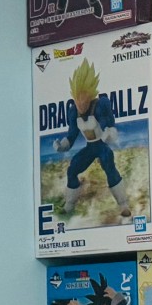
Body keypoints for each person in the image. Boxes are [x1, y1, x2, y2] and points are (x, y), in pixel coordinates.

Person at [54, 59, 132, 220]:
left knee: (109, 167)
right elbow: (72, 134)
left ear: (90, 94)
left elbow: (110, 125)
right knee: (72, 170)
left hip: (101, 146)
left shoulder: (101, 104)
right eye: (77, 98)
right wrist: (62, 146)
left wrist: (109, 134)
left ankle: (123, 204)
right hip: (89, 148)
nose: (80, 102)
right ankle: (70, 204)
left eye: (83, 97)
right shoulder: (73, 111)